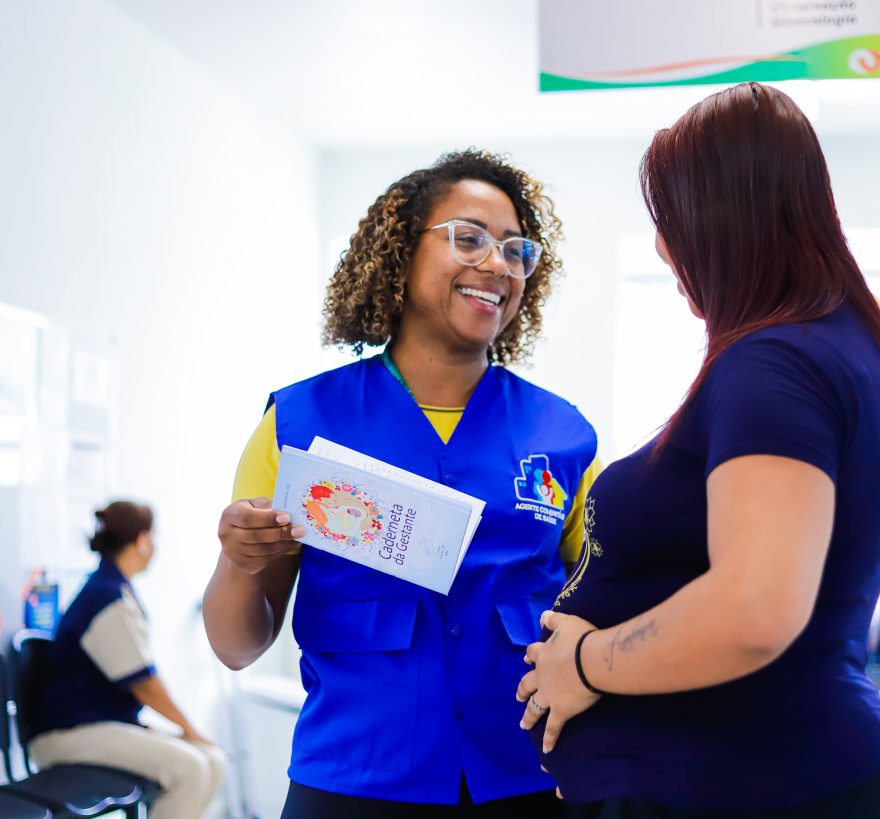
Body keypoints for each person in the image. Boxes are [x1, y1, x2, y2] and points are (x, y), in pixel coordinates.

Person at [517, 83, 880, 819]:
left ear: (724, 219)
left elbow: (753, 610)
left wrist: (584, 663)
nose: (663, 247)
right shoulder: (829, 346)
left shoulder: (775, 364)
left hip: (750, 781)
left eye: (670, 221)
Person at [203, 149, 601, 818]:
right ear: (399, 253)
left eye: (516, 250)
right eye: (469, 238)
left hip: (526, 779)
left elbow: (603, 607)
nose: (498, 265)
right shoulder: (298, 425)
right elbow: (236, 646)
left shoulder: (564, 436)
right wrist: (240, 562)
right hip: (353, 783)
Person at [31, 501, 227, 819]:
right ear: (143, 541)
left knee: (213, 760)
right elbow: (144, 684)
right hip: (69, 734)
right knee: (191, 768)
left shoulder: (111, 589)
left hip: (101, 725)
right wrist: (191, 729)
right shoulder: (105, 597)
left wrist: (191, 733)